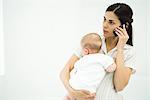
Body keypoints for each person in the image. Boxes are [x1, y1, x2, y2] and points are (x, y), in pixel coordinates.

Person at [60, 3, 136, 100]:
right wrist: (73, 92)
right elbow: (64, 71)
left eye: (111, 22)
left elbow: (119, 86)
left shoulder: (128, 51)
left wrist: (120, 49)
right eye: (104, 19)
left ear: (124, 26)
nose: (105, 25)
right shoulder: (92, 41)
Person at [64, 33, 116, 100]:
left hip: (74, 86)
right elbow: (111, 69)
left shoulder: (82, 59)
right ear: (100, 49)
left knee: (68, 97)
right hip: (89, 90)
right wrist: (114, 61)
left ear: (86, 51)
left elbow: (75, 69)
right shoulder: (104, 58)